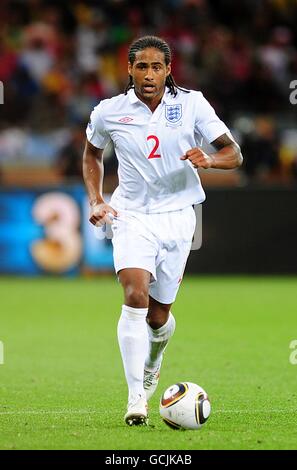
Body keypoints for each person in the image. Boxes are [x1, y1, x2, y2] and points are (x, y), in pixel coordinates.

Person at [82, 36, 243, 426]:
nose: (149, 74)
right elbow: (92, 153)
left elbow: (233, 153)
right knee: (134, 294)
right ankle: (136, 397)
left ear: (169, 70)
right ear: (130, 70)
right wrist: (97, 199)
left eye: (157, 67)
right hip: (131, 214)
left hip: (178, 217)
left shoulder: (192, 104)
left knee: (158, 317)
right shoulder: (109, 111)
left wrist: (209, 160)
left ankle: (155, 356)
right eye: (141, 66)